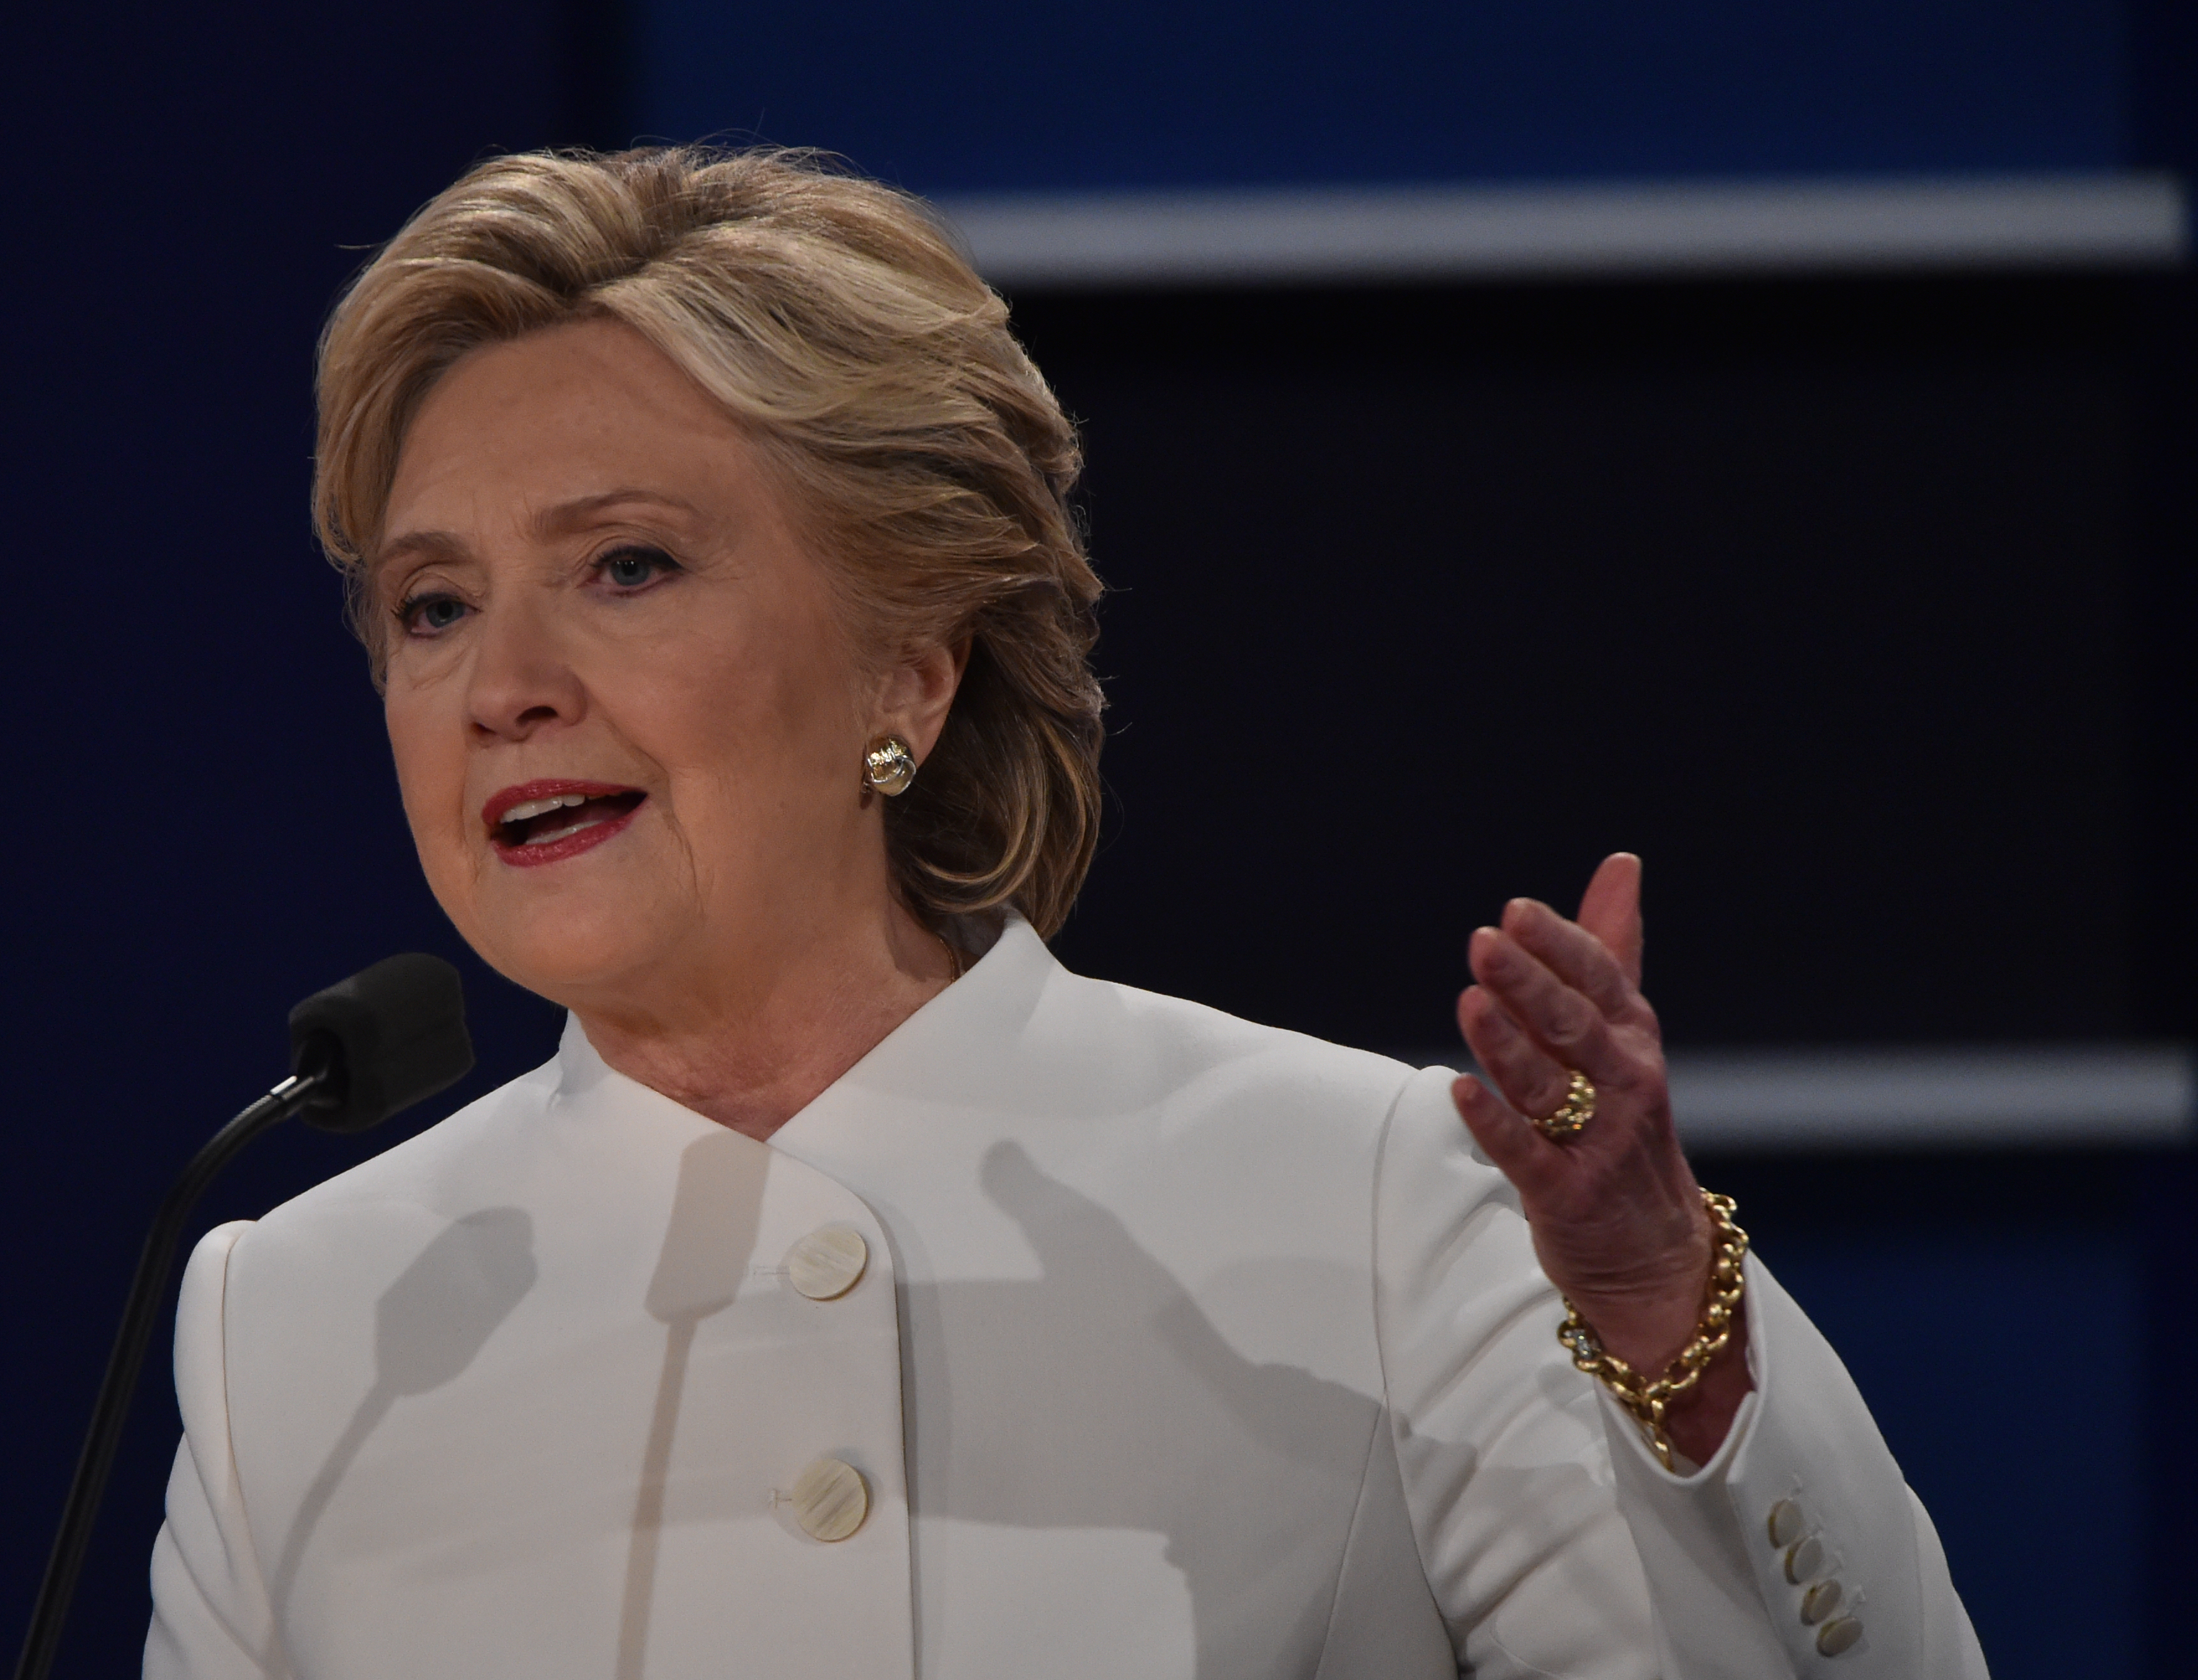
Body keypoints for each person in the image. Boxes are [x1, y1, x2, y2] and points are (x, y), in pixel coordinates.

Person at [145, 146, 1985, 1679]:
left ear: (913, 668)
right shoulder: (302, 1329)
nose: (503, 685)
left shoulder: (1364, 1202)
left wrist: (1672, 1318)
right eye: (432, 605)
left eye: (627, 565)